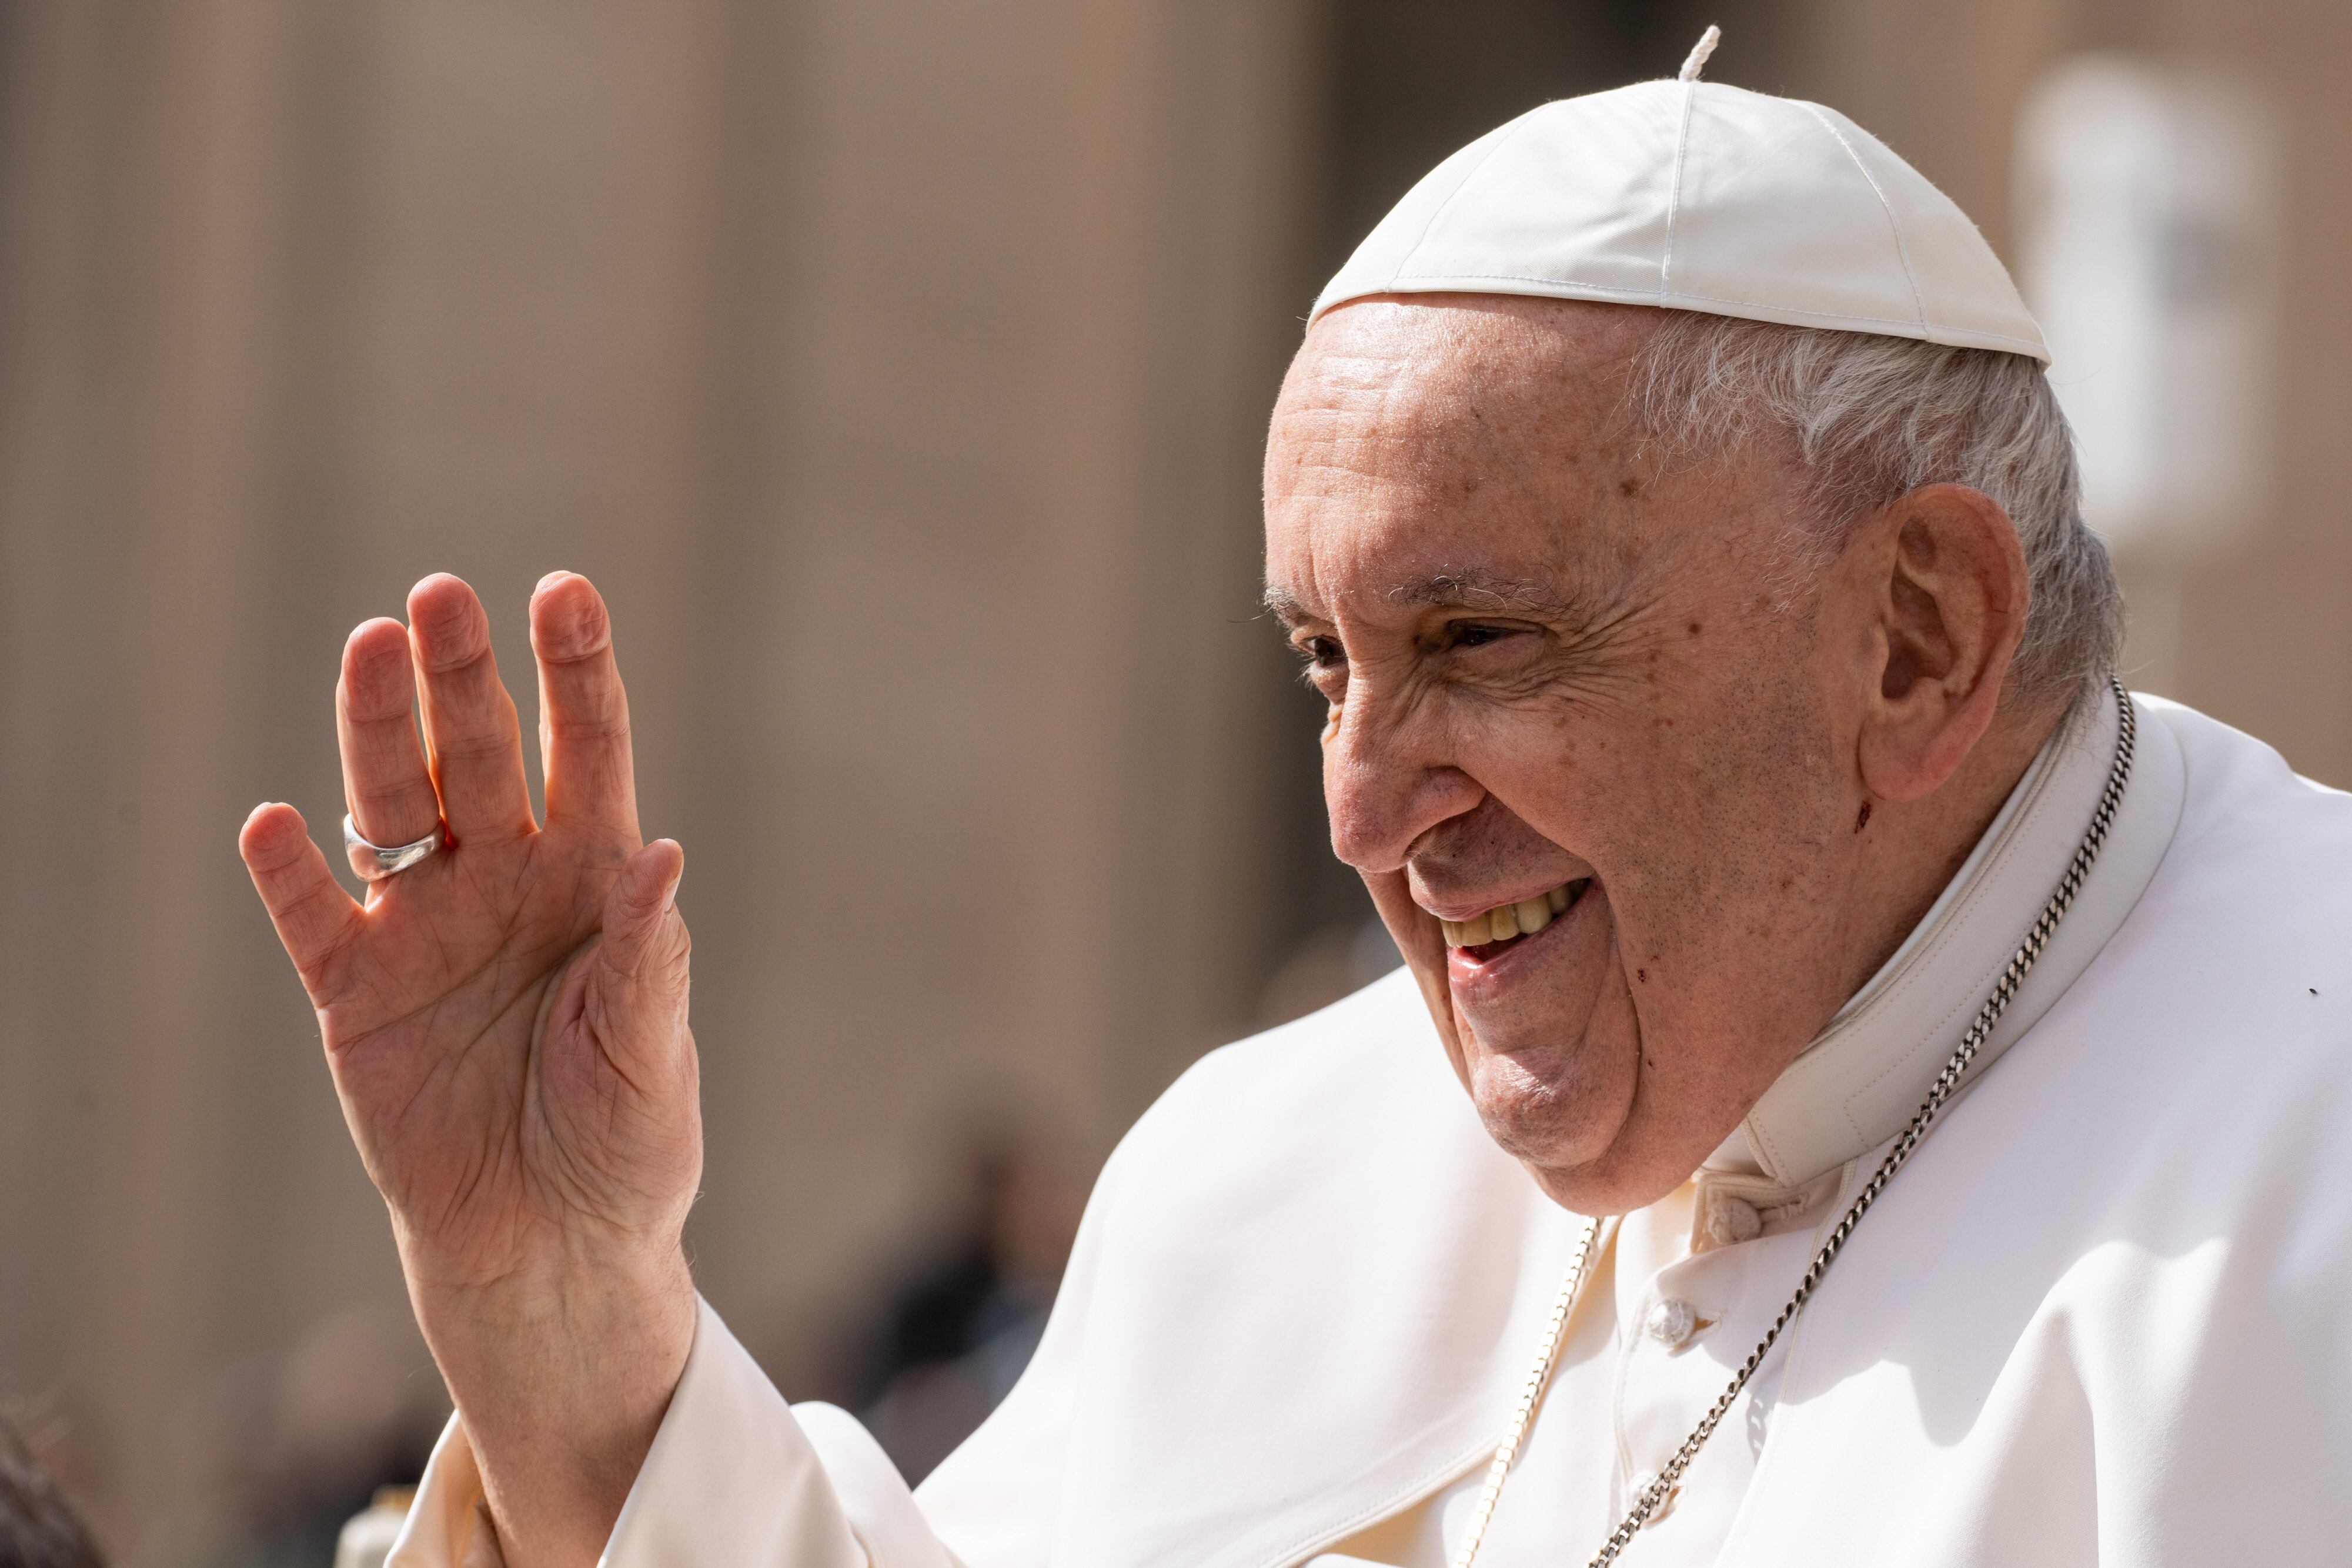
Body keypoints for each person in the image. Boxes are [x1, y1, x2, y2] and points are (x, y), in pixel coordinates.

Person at [239, 34, 2352, 1568]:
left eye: (1482, 645)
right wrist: (566, 1309)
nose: (1359, 808)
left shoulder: (2306, 1149)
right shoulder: (1269, 1168)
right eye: (1325, 663)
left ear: (1913, 636)